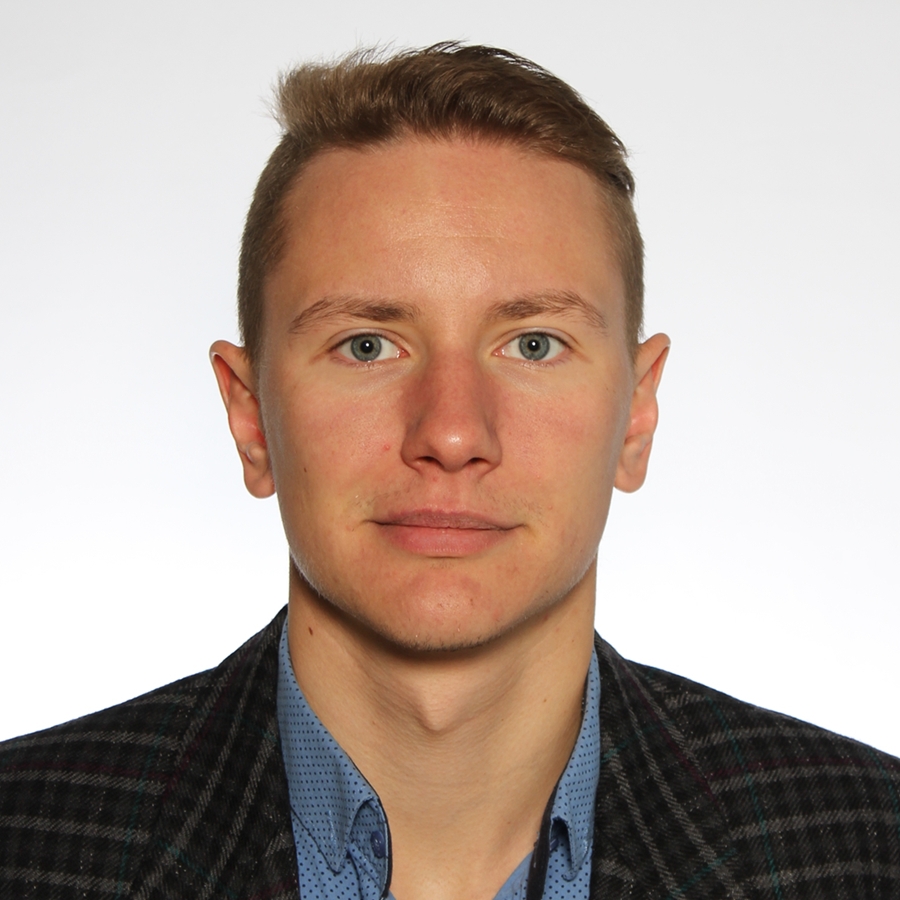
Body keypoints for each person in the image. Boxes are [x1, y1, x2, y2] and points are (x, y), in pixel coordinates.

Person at [1, 42, 898, 900]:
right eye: (367, 344)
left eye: (534, 343)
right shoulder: (26, 841)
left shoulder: (869, 847)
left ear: (636, 414)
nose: (454, 432)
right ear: (251, 418)